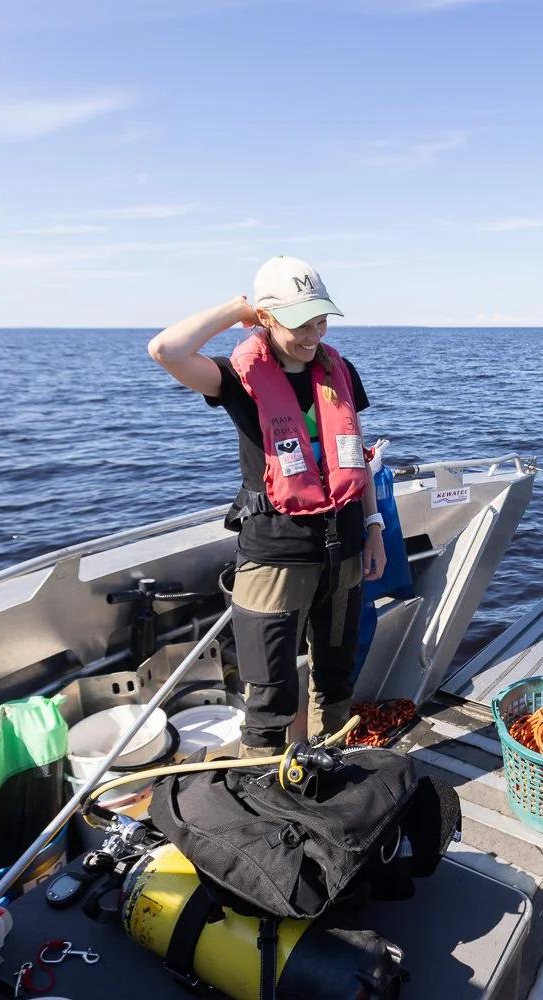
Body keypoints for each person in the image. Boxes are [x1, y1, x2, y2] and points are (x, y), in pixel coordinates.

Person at [147, 256, 386, 757]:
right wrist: (235, 310)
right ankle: (266, 792)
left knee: (337, 677)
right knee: (270, 695)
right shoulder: (237, 378)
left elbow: (357, 454)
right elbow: (166, 349)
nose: (312, 334)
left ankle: (329, 763)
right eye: (299, 322)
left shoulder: (340, 371)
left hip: (343, 550)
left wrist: (374, 525)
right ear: (267, 318)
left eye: (320, 320)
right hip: (276, 554)